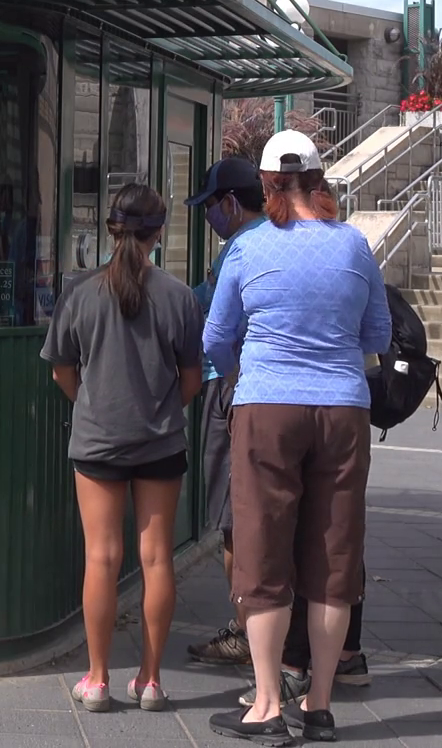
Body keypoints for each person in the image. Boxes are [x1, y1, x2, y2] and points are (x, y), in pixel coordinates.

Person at [203, 130, 391, 744]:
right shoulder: (354, 245)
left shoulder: (248, 248)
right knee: (334, 556)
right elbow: (378, 335)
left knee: (263, 552)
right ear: (319, 181)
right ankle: (320, 704)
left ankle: (266, 704)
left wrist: (244, 371)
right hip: (343, 409)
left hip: (267, 406)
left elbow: (215, 337)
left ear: (267, 185)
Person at [42, 183, 203, 714]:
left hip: (97, 441)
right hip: (160, 441)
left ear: (110, 229)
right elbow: (191, 379)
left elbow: (62, 370)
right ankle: (151, 681)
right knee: (156, 558)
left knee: (101, 557)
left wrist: (91, 403)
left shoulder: (79, 293)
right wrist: (161, 409)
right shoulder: (179, 297)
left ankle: (97, 679)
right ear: (159, 232)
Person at [183, 156, 267, 669]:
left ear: (231, 203)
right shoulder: (276, 238)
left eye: (210, 206)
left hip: (232, 389)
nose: (207, 216)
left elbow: (214, 330)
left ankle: (244, 630)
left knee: (234, 520)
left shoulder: (239, 248)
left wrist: (230, 377)